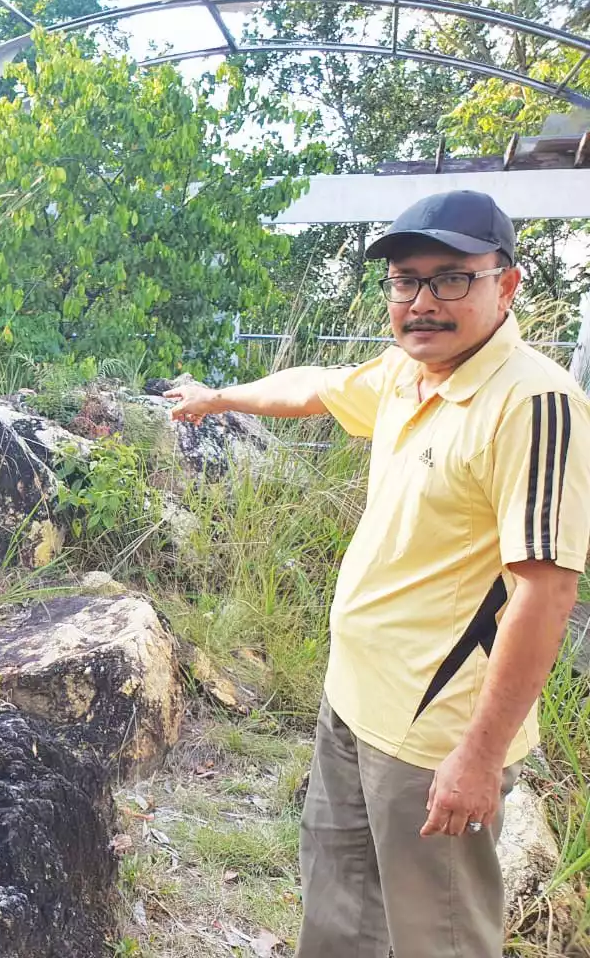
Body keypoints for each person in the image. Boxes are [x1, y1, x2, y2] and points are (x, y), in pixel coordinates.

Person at [166, 190, 590, 958]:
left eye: (451, 278)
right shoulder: (406, 372)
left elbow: (545, 590)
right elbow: (315, 388)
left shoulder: (532, 402)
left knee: (440, 936)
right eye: (405, 282)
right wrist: (218, 398)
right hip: (354, 700)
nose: (423, 301)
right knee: (338, 913)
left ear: (508, 283)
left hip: (434, 735)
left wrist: (479, 758)